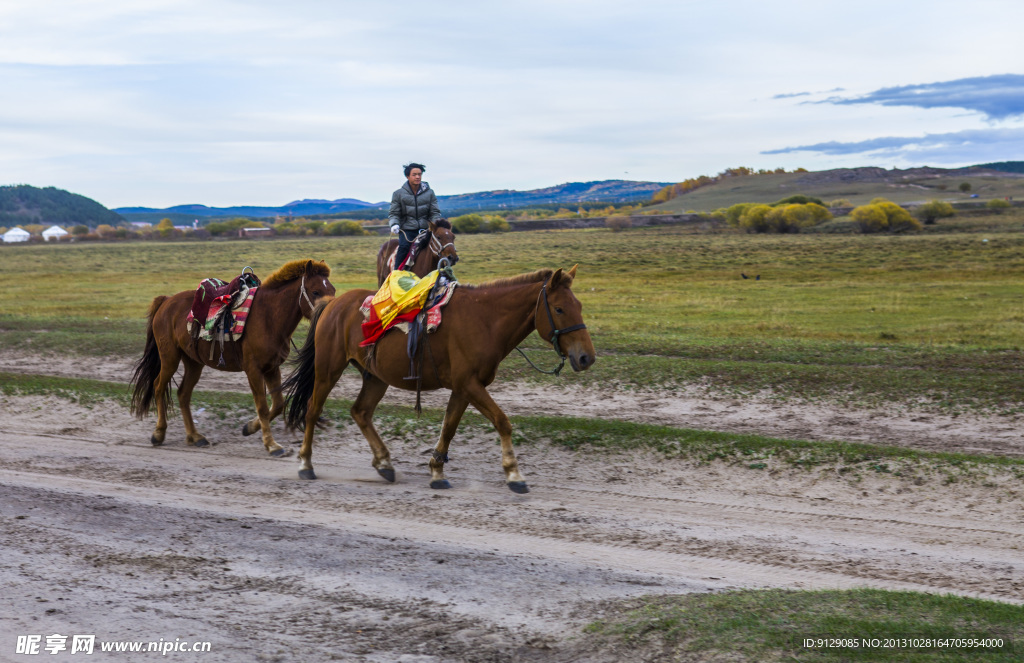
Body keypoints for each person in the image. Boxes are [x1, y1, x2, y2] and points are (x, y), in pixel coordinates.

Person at [389, 163, 443, 271]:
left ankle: (443, 274)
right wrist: (394, 223)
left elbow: (435, 212)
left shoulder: (430, 193)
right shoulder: (398, 194)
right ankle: (396, 274)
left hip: (426, 229)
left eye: (419, 174)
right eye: (414, 174)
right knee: (404, 247)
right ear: (407, 176)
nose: (417, 177)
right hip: (407, 230)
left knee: (441, 247)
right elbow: (394, 213)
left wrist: (435, 224)